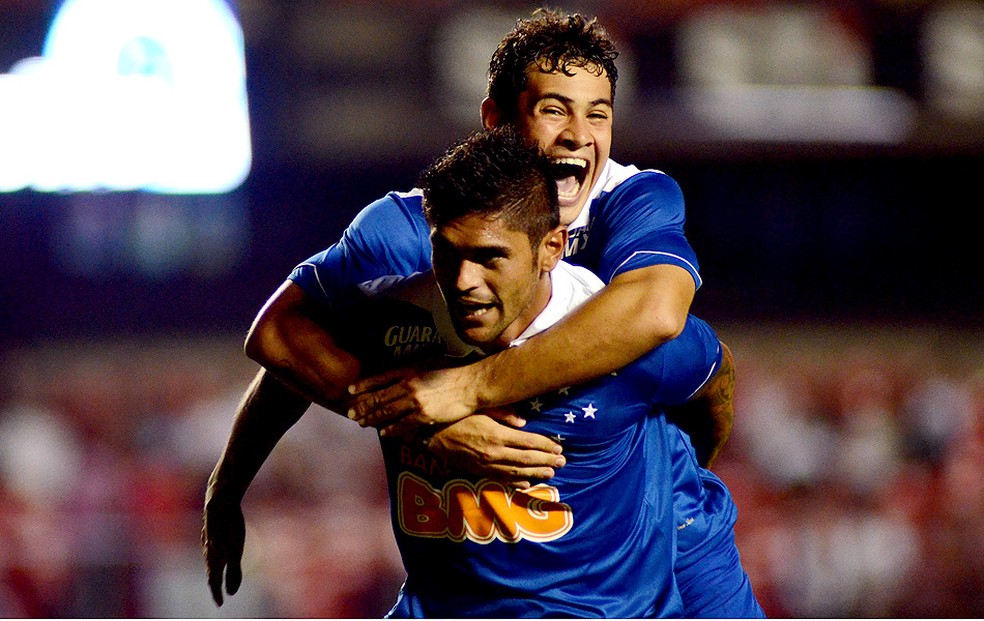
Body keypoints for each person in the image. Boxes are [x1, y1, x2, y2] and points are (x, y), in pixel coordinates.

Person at [214, 8, 763, 617]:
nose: (580, 134)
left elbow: (666, 320)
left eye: (597, 114)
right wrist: (422, 422)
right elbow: (286, 336)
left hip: (666, 525)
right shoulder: (413, 229)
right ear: (496, 120)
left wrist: (466, 392)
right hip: (474, 540)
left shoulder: (631, 199)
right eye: (554, 109)